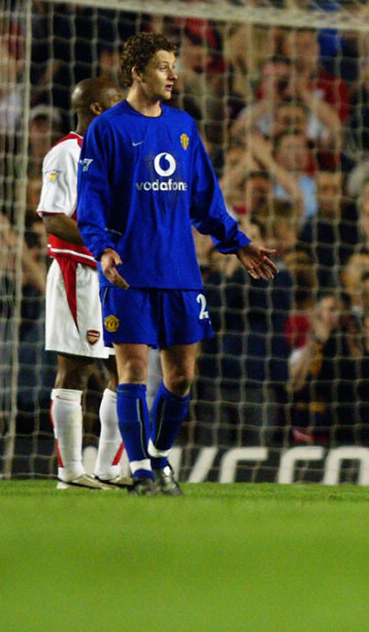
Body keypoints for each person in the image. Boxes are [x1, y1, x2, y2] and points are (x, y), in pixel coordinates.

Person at [77, 32, 278, 496]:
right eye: (164, 66)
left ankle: (160, 456)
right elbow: (91, 203)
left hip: (180, 272)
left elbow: (206, 202)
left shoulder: (184, 127)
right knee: (131, 372)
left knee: (181, 377)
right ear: (137, 72)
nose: (173, 75)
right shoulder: (107, 129)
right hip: (128, 272)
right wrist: (102, 249)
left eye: (174, 65)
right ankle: (142, 470)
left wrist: (239, 243)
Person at [37, 77, 125, 490]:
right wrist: (104, 243)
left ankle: (108, 468)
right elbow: (54, 218)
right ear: (95, 109)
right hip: (79, 275)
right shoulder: (65, 153)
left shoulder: (109, 155)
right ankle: (70, 471)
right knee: (74, 370)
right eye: (115, 105)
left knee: (125, 370)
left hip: (111, 278)